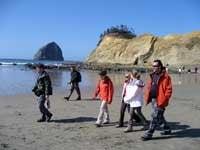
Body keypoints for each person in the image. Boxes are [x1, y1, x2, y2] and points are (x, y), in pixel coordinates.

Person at [141, 59, 173, 141]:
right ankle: (167, 129)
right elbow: (149, 86)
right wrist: (147, 94)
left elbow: (169, 89)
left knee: (155, 116)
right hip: (153, 99)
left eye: (155, 66)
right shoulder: (152, 75)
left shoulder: (166, 77)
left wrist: (165, 99)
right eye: (153, 66)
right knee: (160, 116)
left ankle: (149, 133)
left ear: (160, 66)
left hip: (161, 100)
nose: (154, 67)